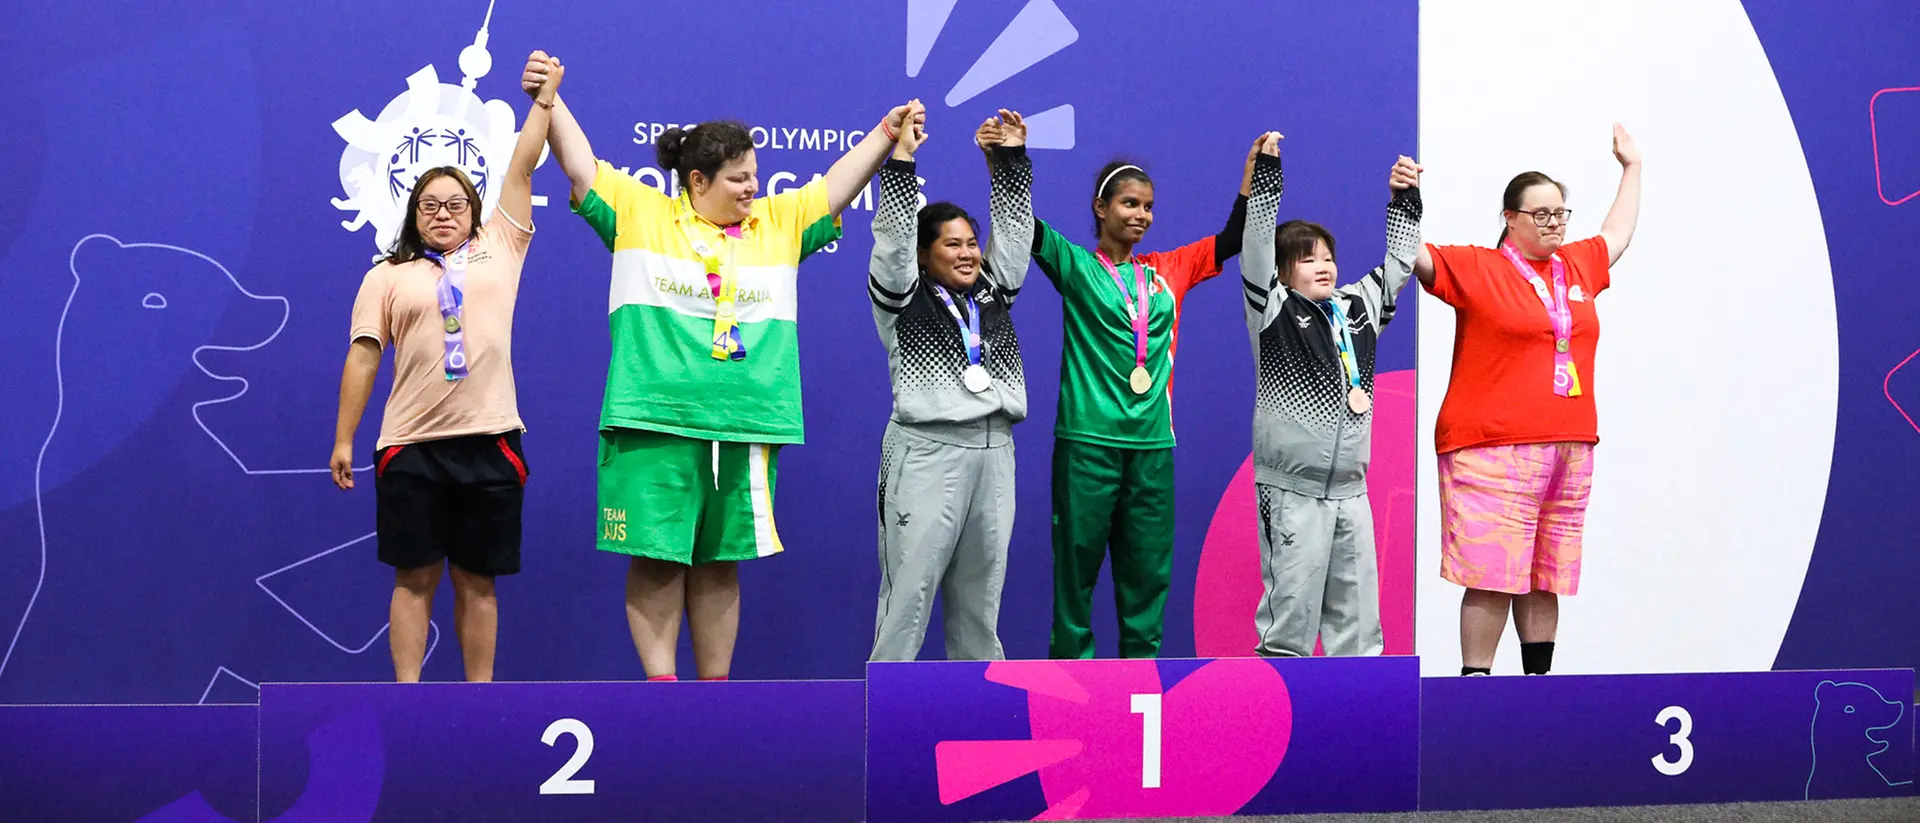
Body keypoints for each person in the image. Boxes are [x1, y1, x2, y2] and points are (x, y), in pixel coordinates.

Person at [520, 51, 923, 681]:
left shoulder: (778, 221)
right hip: (653, 419)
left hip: (748, 423)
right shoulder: (639, 212)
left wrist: (884, 133)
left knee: (719, 559)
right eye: (738, 178)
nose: (752, 188)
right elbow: (578, 164)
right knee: (656, 557)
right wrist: (549, 97)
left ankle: (714, 696)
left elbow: (836, 185)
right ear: (697, 181)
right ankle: (663, 688)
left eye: (755, 175)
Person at [329, 54, 560, 683]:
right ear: (413, 213)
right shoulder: (386, 275)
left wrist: (543, 103)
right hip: (411, 447)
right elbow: (364, 355)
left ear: (475, 210)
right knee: (415, 576)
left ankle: (477, 701)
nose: (442, 213)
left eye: (456, 204)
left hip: (490, 442)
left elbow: (520, 165)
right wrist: (346, 438)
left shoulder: (500, 247)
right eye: (429, 205)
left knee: (477, 579)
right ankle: (410, 701)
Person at [1412, 124, 1643, 675]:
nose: (1554, 223)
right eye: (1541, 214)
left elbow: (1619, 232)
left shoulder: (1578, 264)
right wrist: (1404, 202)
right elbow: (1412, 258)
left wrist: (1632, 168)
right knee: (1493, 574)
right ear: (1510, 218)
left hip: (1571, 444)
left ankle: (1537, 685)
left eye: (1561, 212)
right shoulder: (1477, 266)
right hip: (1492, 444)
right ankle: (1476, 685)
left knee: (1546, 574)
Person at [1031, 138, 1259, 659]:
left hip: (1153, 448)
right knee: (1075, 577)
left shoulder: (1167, 271)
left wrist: (1253, 178)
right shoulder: (1076, 266)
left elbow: (1231, 239)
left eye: (1149, 206)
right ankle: (1072, 682)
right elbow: (1027, 228)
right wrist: (1009, 160)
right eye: (1130, 203)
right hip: (1087, 444)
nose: (1142, 215)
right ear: (1101, 208)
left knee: (1147, 577)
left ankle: (1138, 686)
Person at [1237, 132, 1424, 657]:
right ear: (1281, 272)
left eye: (1327, 257)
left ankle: (1358, 731)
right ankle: (1287, 727)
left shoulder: (1359, 306)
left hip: (1352, 493)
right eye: (1306, 259)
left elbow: (1399, 264)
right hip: (1291, 492)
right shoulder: (1270, 311)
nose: (1323, 266)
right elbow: (1255, 246)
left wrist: (1404, 198)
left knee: (1361, 629)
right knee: (1289, 626)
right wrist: (1268, 179)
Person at [866, 111, 1034, 662]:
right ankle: (887, 727)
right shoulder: (902, 297)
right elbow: (893, 238)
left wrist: (1008, 160)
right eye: (951, 245)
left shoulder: (991, 291)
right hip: (927, 454)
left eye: (970, 244)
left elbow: (1012, 236)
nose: (966, 253)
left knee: (981, 606)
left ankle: (980, 723)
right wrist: (902, 157)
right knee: (907, 598)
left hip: (996, 454)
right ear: (922, 254)